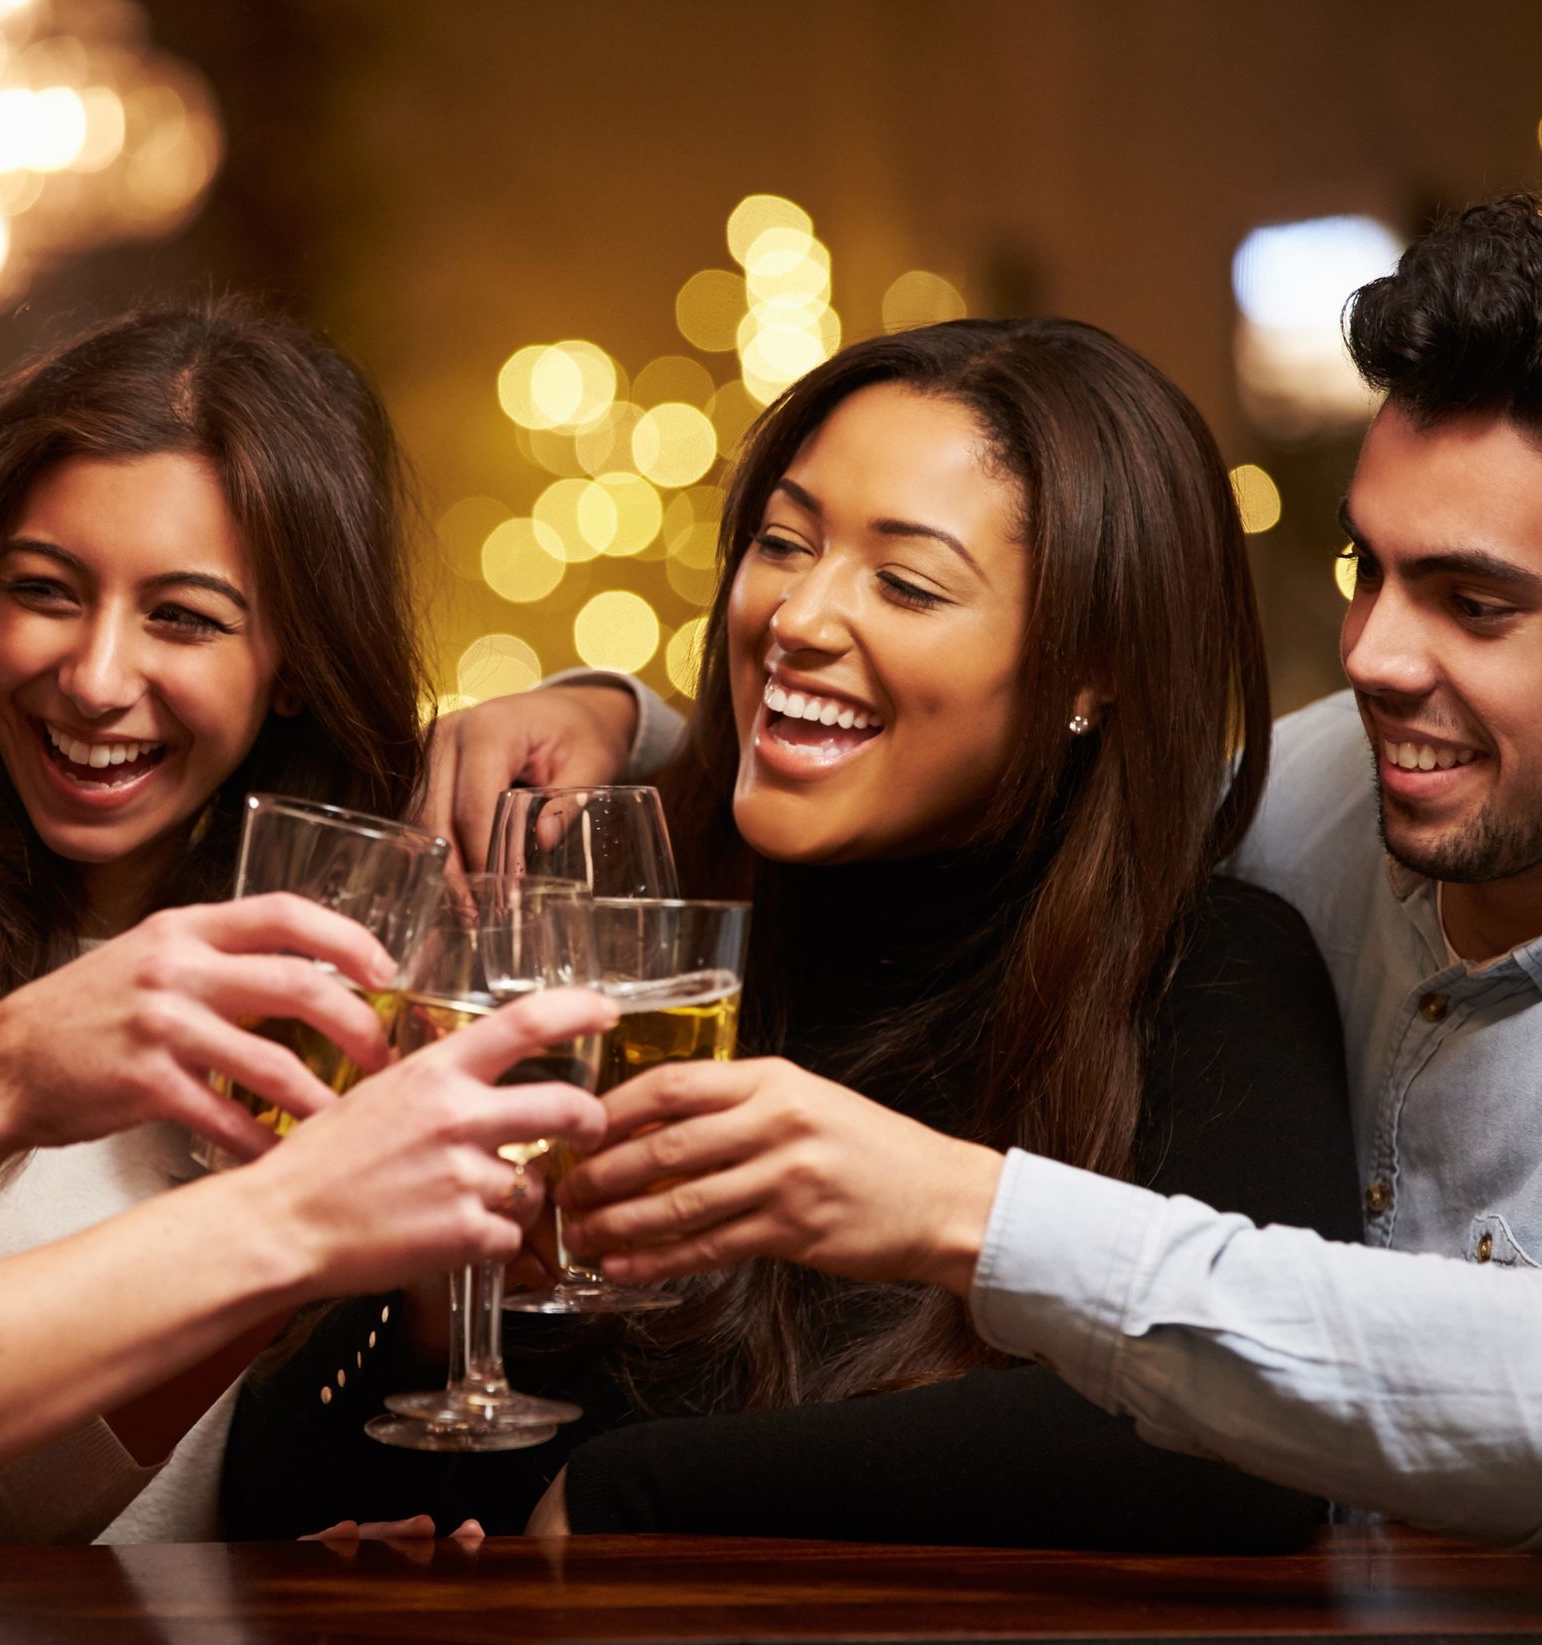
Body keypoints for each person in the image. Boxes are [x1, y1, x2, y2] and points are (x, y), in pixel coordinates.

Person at [447, 194, 1542, 1552]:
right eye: (1361, 569)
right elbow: (1064, 791)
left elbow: (1420, 1420)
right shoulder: (1350, 784)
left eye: (1478, 603)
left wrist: (952, 1210)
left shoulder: (1210, 969)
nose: (1373, 656)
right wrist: (613, 729)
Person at [227, 318, 1359, 1550]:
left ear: (1095, 665)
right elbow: (280, 1498)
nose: (796, 616)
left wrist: (642, 1496)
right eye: (782, 542)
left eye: (907, 582)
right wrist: (441, 1300)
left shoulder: (1208, 975)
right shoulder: (617, 940)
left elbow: (1261, 1442)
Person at [0, 168, 610, 1562]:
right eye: (42, 591)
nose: (95, 680)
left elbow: (718, 761)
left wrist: (602, 705)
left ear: (290, 673)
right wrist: (271, 1236)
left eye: (187, 619)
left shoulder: (340, 920)